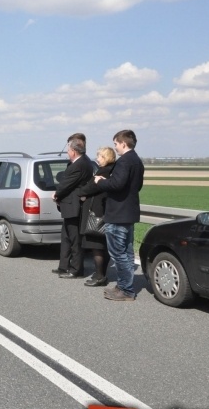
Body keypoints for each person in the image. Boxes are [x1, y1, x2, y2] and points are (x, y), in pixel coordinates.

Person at [94, 129, 144, 301]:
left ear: (123, 143)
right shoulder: (137, 160)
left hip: (118, 213)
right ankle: (124, 285)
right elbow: (136, 187)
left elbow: (116, 184)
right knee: (127, 253)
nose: (115, 147)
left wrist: (101, 182)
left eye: (116, 144)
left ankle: (126, 290)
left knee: (118, 253)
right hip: (129, 212)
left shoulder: (124, 162)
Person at [74, 146, 117, 287]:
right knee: (105, 245)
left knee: (96, 245)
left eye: (99, 156)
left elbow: (90, 188)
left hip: (97, 213)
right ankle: (102, 274)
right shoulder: (114, 170)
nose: (97, 159)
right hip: (107, 211)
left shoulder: (104, 172)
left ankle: (99, 276)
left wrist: (81, 192)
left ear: (105, 157)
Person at [52, 137, 92, 278]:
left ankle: (76, 270)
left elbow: (66, 184)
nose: (67, 153)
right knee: (66, 237)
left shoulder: (79, 165)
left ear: (74, 151)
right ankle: (64, 266)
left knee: (75, 240)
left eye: (68, 150)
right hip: (69, 207)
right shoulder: (81, 162)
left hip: (74, 207)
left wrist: (56, 194)